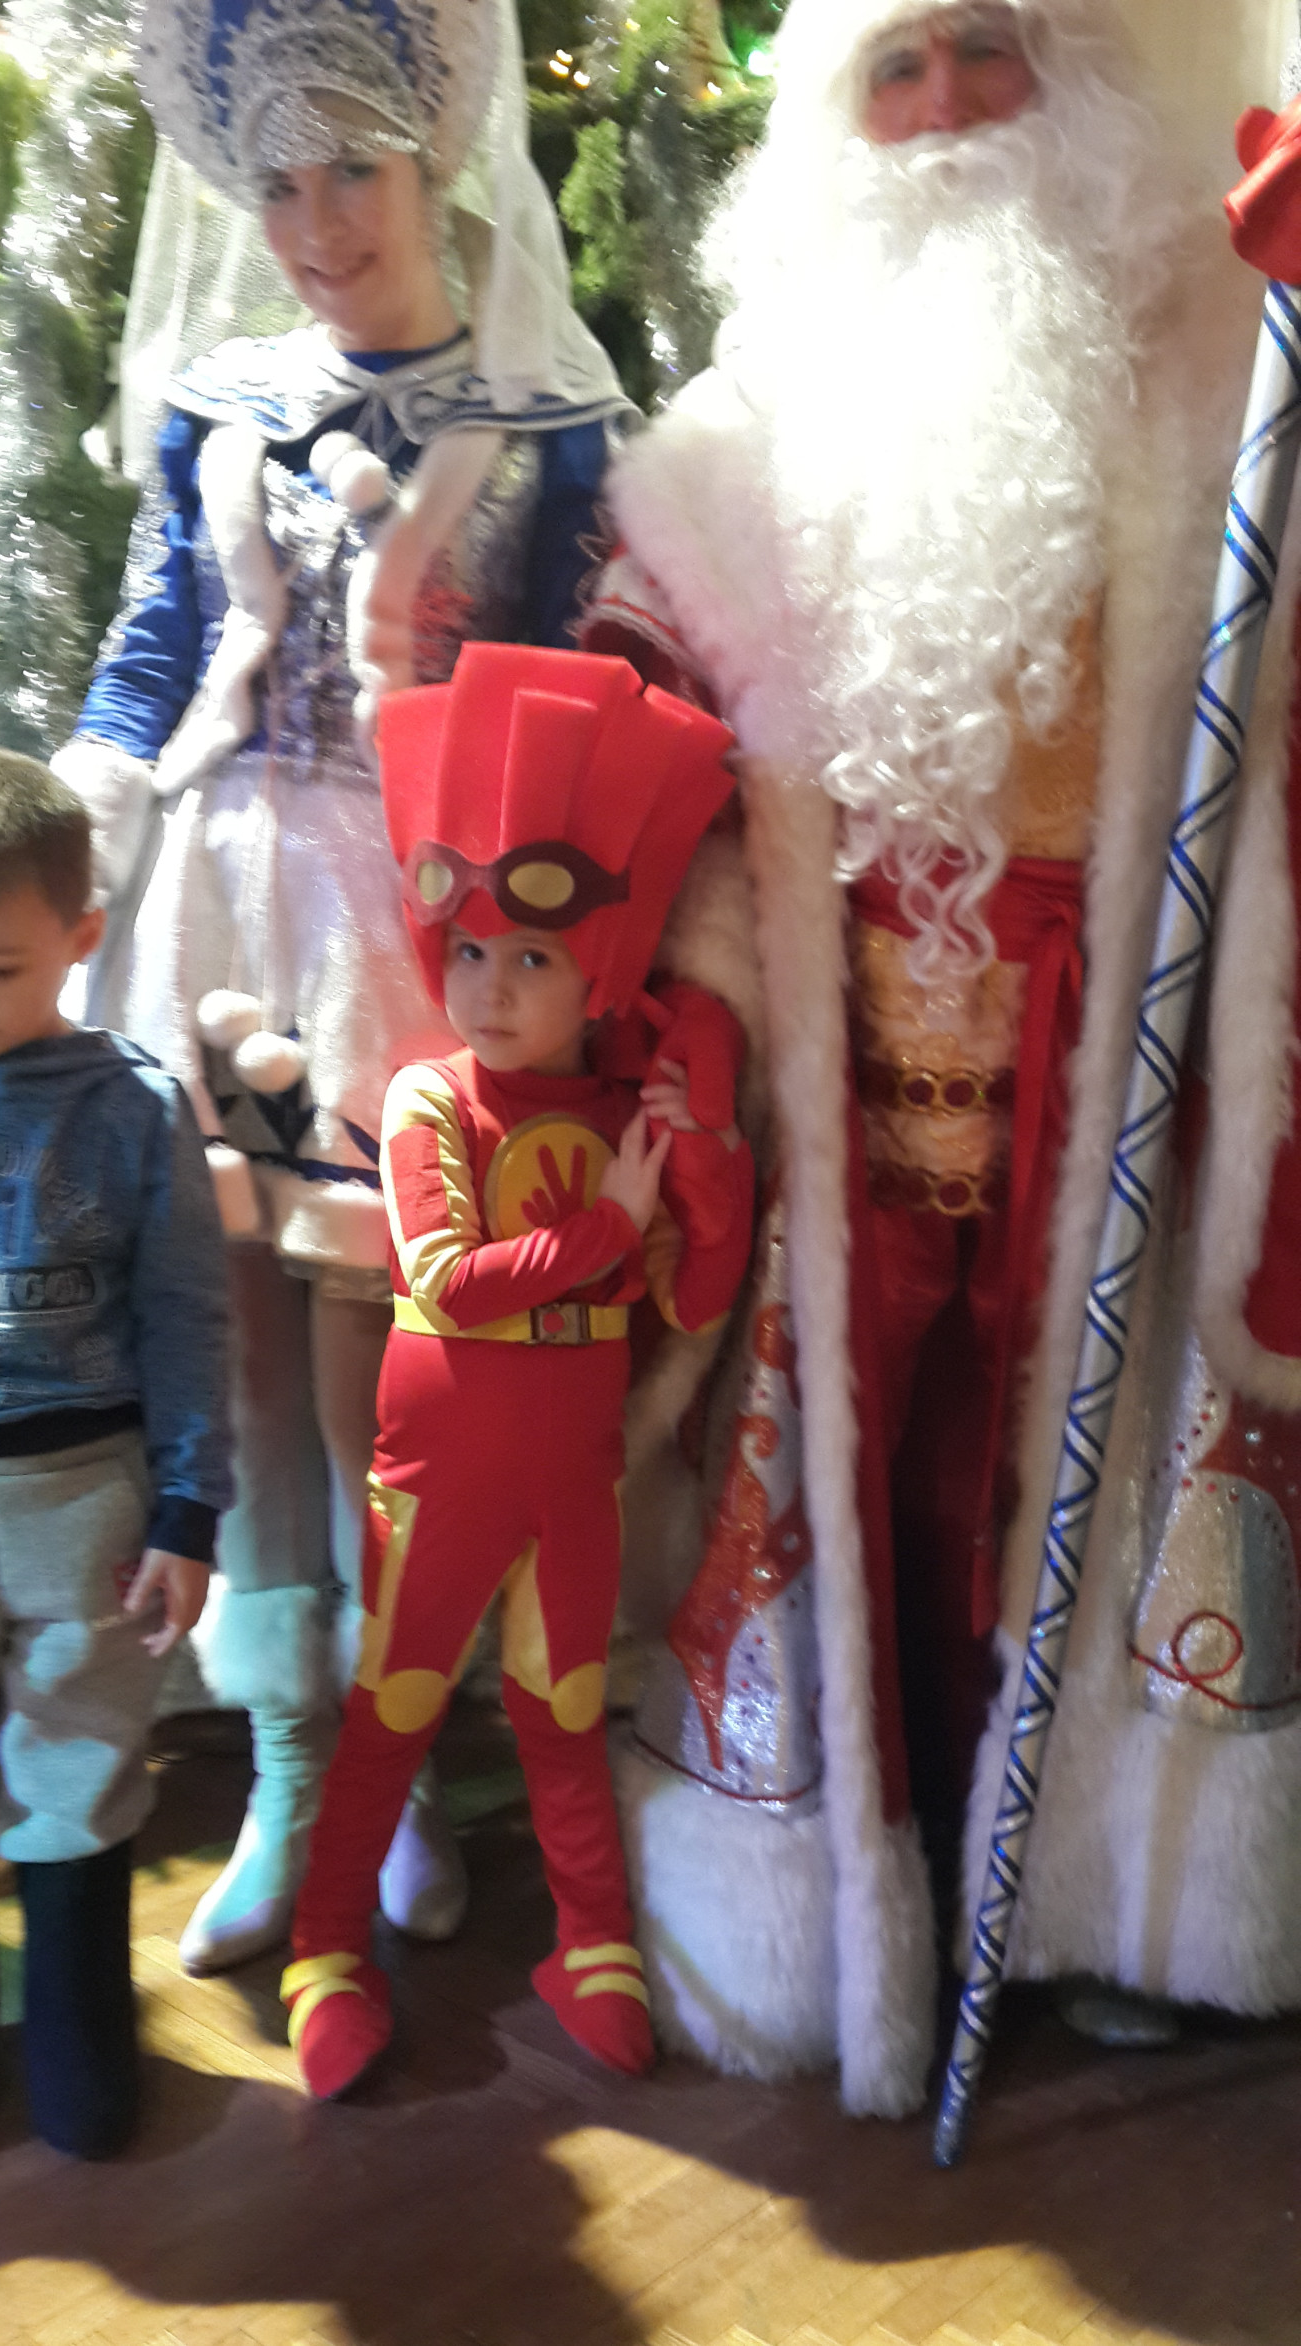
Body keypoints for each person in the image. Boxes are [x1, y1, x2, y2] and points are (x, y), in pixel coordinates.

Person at [584, 0, 1301, 2116]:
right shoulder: (746, 426)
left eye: (987, 48)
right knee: (857, 1484)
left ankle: (1099, 1901)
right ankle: (836, 1899)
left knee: (1057, 1472)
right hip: (839, 1069)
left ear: (1093, 73)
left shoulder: (1234, 381)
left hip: (1125, 1055)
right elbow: (656, 729)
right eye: (892, 68)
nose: (944, 110)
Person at [53, 0, 633, 1978]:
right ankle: (292, 1773)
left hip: (411, 932)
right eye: (279, 185)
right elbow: (155, 646)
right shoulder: (222, 407)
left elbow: (576, 693)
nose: (315, 227)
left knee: (394, 1363)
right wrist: (83, 820)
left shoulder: (544, 429)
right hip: (217, 914)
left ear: (433, 163)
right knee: (235, 1335)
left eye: (354, 174)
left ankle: (403, 1766)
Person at [281, 641, 753, 2099]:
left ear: (595, 969)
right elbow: (446, 1280)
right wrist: (608, 1223)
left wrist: (709, 1138)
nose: (488, 986)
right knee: (394, 1710)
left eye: (532, 957)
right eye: (471, 949)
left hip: (569, 1479)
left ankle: (593, 1943)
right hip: (443, 1477)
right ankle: (325, 1948)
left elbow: (701, 1293)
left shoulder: (623, 1112)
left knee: (562, 1712)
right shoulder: (430, 1096)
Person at [0, 753, 230, 2156]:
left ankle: (79, 2038)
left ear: (81, 937)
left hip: (85, 1501)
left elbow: (188, 1311)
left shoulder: (134, 1104)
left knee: (75, 1770)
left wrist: (191, 1509)